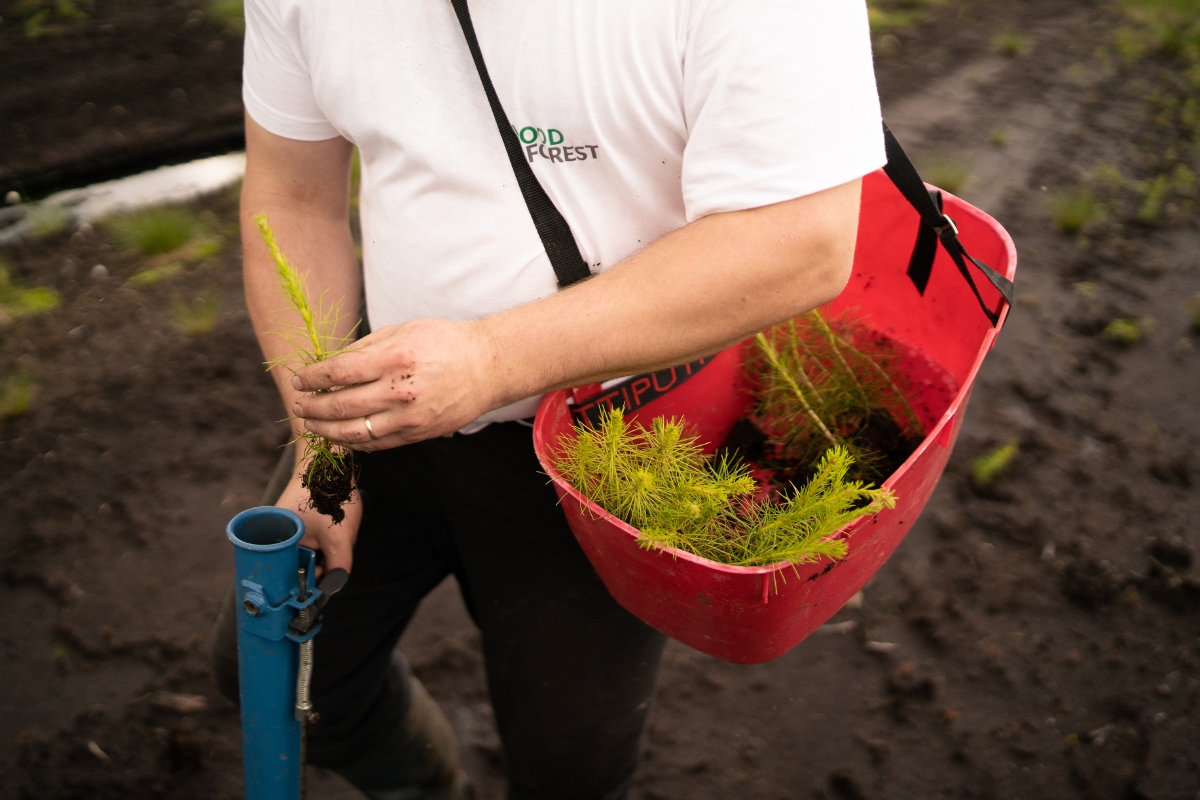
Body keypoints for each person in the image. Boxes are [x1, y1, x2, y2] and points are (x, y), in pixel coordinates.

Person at [210, 1, 886, 798]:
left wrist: (493, 358)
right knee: (285, 676)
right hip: (378, 403)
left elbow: (803, 242)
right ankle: (429, 783)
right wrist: (323, 448)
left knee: (569, 765)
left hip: (613, 445)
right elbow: (292, 197)